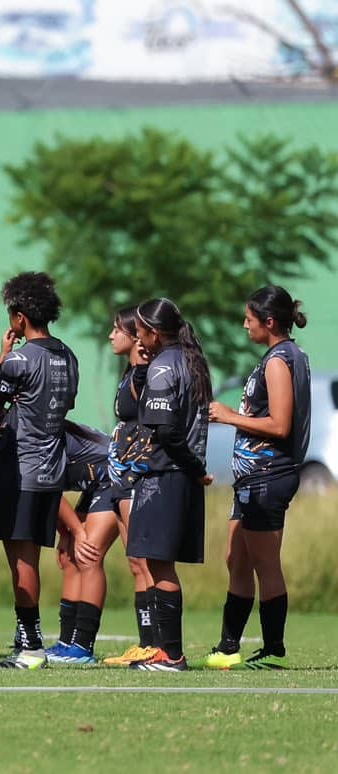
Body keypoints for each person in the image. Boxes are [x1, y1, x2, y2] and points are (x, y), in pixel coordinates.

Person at [204, 285, 311, 670]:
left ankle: (273, 650)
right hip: (253, 477)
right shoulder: (277, 357)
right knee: (236, 557)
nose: (244, 324)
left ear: (268, 322)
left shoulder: (280, 360)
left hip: (269, 475)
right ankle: (228, 646)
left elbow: (280, 424)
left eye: (249, 318)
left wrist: (229, 416)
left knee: (265, 564)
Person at [0, 271, 78, 671]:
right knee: (30, 556)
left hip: (21, 469)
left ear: (20, 317)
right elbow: (64, 405)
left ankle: (32, 647)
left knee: (22, 562)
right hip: (52, 467)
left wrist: (3, 357)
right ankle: (27, 640)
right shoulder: (67, 355)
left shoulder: (20, 359)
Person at [126, 297, 212, 673]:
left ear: (154, 332)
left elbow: (167, 432)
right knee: (160, 564)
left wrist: (195, 468)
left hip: (168, 474)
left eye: (141, 329)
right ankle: (166, 653)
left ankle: (171, 655)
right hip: (181, 475)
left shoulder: (164, 367)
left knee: (160, 566)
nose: (137, 336)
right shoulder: (192, 362)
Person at [100, 306, 162, 668]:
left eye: (116, 330)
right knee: (134, 563)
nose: (111, 336)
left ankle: (156, 644)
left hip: (138, 474)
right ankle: (145, 643)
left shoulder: (148, 375)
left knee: (144, 561)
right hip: (120, 476)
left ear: (136, 336)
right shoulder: (131, 374)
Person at [49, 419, 118, 664]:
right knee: (69, 557)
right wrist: (67, 534)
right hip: (95, 483)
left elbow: (50, 490)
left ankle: (82, 646)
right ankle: (66, 642)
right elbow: (46, 494)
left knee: (89, 554)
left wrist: (76, 532)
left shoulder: (29, 438)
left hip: (113, 477)